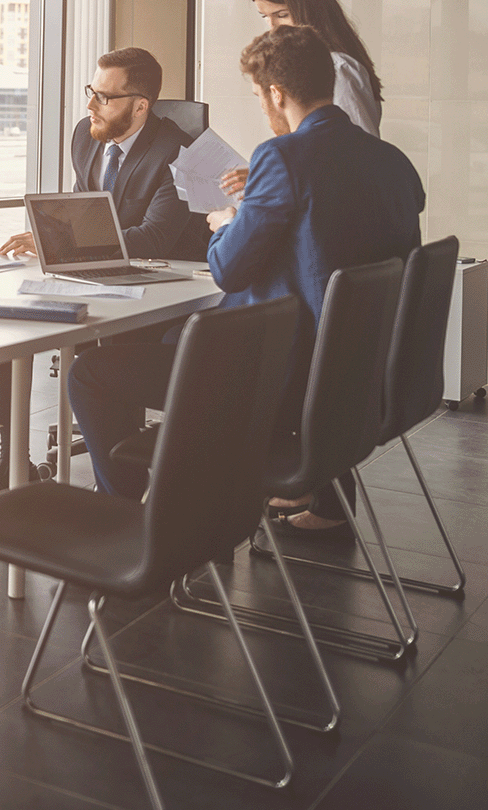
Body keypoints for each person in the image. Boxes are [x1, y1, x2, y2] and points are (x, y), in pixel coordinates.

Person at [66, 25, 423, 517]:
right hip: (357, 377)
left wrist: (229, 220)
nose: (262, 107)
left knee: (90, 373)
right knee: (171, 343)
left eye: (259, 96)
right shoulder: (393, 163)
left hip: (275, 374)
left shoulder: (281, 156)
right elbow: (341, 239)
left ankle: (127, 517)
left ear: (276, 93)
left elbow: (228, 269)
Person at [0, 47, 207, 503]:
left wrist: (65, 244)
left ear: (139, 106)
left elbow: (153, 239)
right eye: (91, 92)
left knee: (102, 357)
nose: (90, 105)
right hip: (95, 275)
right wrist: (51, 237)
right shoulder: (85, 137)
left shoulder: (179, 153)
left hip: (160, 289)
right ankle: (13, 461)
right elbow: (83, 211)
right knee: (14, 319)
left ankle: (120, 481)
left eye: (104, 98)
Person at [221, 0, 385, 200]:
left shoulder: (339, 69)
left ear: (310, 7)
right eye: (266, 17)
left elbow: (361, 159)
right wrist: (268, 175)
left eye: (282, 15)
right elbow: (315, 154)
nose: (274, 28)